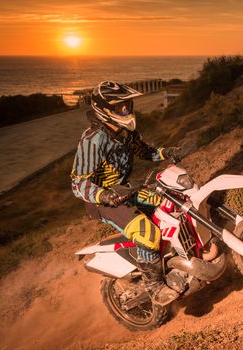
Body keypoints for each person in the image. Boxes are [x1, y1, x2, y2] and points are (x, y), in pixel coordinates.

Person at [71, 81, 180, 305]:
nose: (127, 111)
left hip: (127, 191)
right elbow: (77, 183)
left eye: (128, 105)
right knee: (147, 232)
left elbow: (144, 151)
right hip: (105, 202)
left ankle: (174, 260)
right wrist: (105, 196)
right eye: (120, 107)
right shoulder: (93, 139)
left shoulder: (125, 131)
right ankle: (155, 287)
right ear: (104, 110)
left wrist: (166, 152)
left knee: (171, 203)